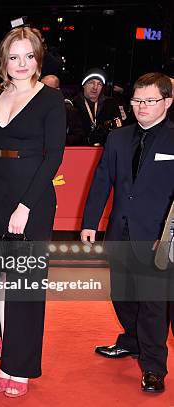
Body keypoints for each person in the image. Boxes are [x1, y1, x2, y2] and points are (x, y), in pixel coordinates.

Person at [0, 26, 66, 397]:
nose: (21, 64)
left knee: (24, 287)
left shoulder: (50, 100)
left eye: (29, 56)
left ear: (38, 59)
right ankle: (5, 357)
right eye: (14, 56)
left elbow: (54, 157)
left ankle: (20, 367)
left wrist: (26, 206)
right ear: (4, 60)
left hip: (32, 198)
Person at [81, 72, 174, 393]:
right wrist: (90, 222)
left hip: (159, 237)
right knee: (120, 295)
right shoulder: (118, 138)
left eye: (150, 101)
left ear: (167, 101)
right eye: (136, 101)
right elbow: (101, 181)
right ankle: (132, 341)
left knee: (152, 303)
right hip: (120, 232)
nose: (141, 107)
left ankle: (153, 366)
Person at [72, 68, 122, 146]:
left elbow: (119, 129)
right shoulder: (73, 105)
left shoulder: (110, 104)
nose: (95, 87)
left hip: (105, 150)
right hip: (81, 150)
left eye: (99, 84)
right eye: (91, 83)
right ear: (84, 85)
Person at [41, 74, 84, 145]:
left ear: (57, 90)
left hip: (61, 152)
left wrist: (59, 140)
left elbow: (78, 136)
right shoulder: (35, 107)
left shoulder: (69, 110)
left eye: (47, 88)